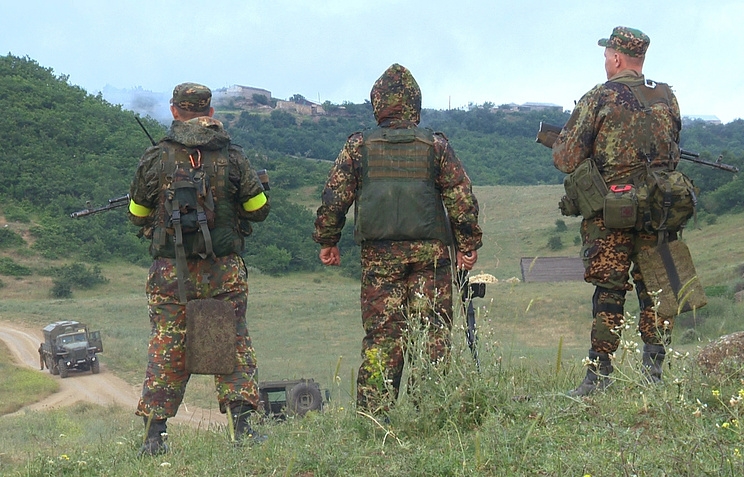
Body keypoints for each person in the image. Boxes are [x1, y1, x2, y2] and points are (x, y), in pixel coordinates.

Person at [313, 64, 483, 412]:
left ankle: (375, 418)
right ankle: (431, 413)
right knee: (433, 333)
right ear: (414, 105)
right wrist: (468, 245)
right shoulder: (436, 147)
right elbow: (460, 197)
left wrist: (327, 240)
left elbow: (334, 197)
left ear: (378, 105)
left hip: (380, 260)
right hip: (431, 258)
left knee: (383, 337)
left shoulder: (358, 147)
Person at [127, 83, 270, 455]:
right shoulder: (233, 157)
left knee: (167, 344)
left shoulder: (156, 157)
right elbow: (258, 209)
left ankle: (154, 437)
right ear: (209, 110)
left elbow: (136, 214)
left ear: (175, 111)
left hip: (170, 273)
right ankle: (242, 429)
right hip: (223, 271)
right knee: (232, 341)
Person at [552, 27, 682, 396]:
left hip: (613, 216)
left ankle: (599, 376)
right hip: (659, 210)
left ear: (617, 58)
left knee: (609, 292)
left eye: (607, 55)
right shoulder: (667, 96)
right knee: (657, 291)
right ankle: (653, 378)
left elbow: (566, 158)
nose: (605, 61)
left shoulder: (599, 97)